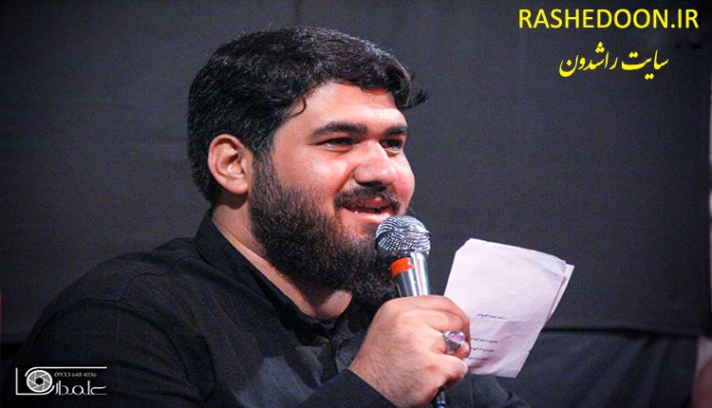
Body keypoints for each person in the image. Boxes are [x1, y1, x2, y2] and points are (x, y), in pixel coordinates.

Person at [2, 26, 526, 407]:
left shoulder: (401, 318)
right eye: (339, 141)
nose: (382, 171)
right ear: (234, 165)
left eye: (393, 143)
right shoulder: (113, 322)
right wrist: (372, 391)